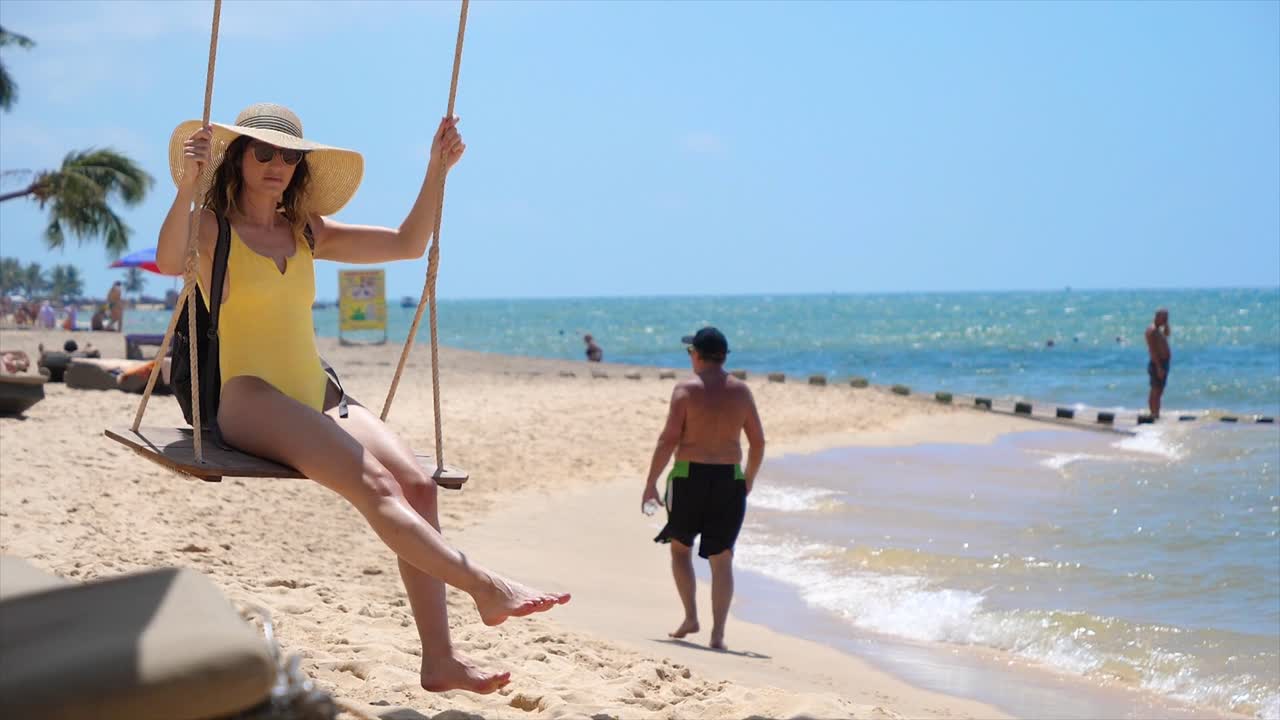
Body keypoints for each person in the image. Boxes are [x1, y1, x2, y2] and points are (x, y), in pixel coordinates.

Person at [158, 103, 568, 694]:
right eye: (264, 153)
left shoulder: (305, 231)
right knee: (375, 486)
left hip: (316, 390)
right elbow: (170, 261)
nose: (277, 164)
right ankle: (484, 585)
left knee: (420, 485)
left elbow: (406, 243)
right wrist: (185, 190)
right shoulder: (211, 227)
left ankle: (441, 660)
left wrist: (436, 170)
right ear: (240, 159)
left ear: (300, 166)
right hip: (247, 395)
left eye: (289, 156)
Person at [641, 326, 765, 651]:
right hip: (728, 480)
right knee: (722, 558)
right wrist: (748, 479)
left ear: (696, 355)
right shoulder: (741, 392)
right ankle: (718, 634)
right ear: (723, 357)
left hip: (688, 477)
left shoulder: (686, 390)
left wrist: (651, 482)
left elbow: (668, 439)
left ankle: (691, 616)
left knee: (680, 548)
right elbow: (758, 442)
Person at [1145, 308, 1172, 418]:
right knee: (1155, 389)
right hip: (1158, 363)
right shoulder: (1151, 331)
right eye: (1164, 317)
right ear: (1157, 317)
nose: (1165, 319)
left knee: (1160, 390)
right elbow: (1152, 350)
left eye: (1167, 317)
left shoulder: (1159, 329)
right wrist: (1158, 367)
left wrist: (1166, 324)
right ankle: (1153, 413)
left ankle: (1156, 413)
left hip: (1164, 362)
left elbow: (1167, 334)